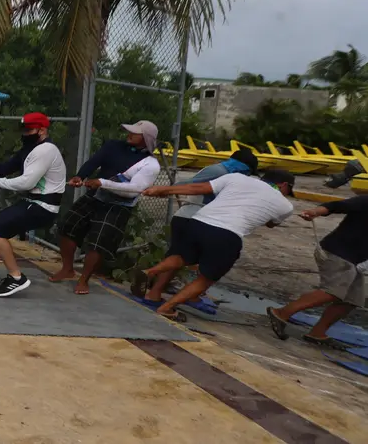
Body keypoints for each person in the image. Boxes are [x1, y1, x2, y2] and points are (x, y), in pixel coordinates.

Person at [140, 169, 295, 319]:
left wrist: (162, 189)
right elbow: (271, 224)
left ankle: (148, 272)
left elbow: (198, 187)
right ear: (284, 185)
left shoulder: (236, 178)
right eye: (289, 190)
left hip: (198, 222)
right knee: (206, 278)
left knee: (181, 257)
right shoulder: (286, 206)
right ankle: (166, 308)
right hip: (227, 235)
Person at [0, 112, 67, 297]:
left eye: (29, 130)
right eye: (23, 130)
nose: (25, 134)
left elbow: (27, 183)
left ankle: (16, 277)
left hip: (44, 206)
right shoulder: (30, 149)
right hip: (33, 201)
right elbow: (6, 167)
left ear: (42, 130)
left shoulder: (45, 150)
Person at [50, 121, 161, 295]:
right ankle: (67, 269)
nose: (129, 133)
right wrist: (80, 175)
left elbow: (133, 190)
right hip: (95, 196)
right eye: (129, 130)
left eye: (135, 133)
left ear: (146, 139)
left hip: (119, 205)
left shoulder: (150, 164)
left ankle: (84, 279)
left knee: (98, 242)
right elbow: (94, 161)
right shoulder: (113, 146)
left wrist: (102, 182)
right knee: (67, 226)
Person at [141, 148, 258, 304]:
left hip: (195, 219)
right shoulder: (220, 171)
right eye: (248, 171)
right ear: (243, 166)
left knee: (187, 259)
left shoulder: (226, 173)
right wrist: (164, 190)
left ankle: (188, 294)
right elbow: (191, 185)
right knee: (179, 259)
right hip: (192, 218)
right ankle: (154, 291)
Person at [266, 194, 368, 347]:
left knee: (351, 300)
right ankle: (281, 313)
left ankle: (317, 332)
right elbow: (337, 205)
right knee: (333, 291)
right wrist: (316, 212)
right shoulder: (366, 200)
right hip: (337, 253)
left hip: (354, 260)